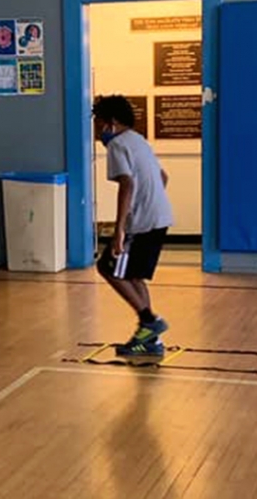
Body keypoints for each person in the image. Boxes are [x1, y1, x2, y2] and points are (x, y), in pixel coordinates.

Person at [93, 95, 174, 358]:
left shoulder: (117, 145)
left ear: (111, 122)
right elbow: (163, 176)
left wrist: (119, 231)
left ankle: (148, 320)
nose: (96, 129)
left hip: (142, 222)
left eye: (99, 122)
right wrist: (153, 201)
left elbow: (127, 183)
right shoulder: (138, 140)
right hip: (160, 218)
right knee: (134, 274)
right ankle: (150, 340)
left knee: (107, 267)